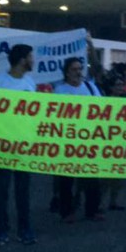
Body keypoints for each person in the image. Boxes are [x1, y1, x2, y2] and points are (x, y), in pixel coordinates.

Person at [0, 43, 37, 247]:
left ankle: (24, 229)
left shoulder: (30, 82)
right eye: (31, 57)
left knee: (23, 190)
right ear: (22, 59)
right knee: (1, 190)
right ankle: (1, 230)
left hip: (24, 145)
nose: (33, 60)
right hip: (2, 144)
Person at [53, 57, 105, 223]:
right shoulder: (60, 90)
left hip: (88, 140)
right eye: (74, 69)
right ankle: (67, 211)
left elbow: (103, 109)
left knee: (91, 178)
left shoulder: (90, 87)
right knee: (66, 180)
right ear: (67, 72)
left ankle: (92, 210)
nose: (78, 72)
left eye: (80, 68)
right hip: (67, 141)